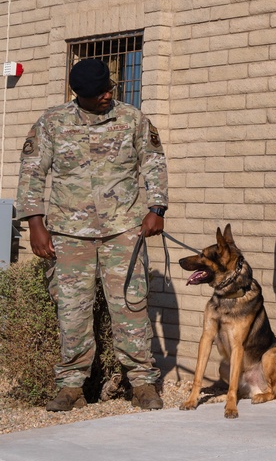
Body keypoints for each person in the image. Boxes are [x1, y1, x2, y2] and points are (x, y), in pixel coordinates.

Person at [16, 58, 168, 412]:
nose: (107, 95)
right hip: (69, 233)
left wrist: (156, 208)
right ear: (79, 95)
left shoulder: (131, 119)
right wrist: (35, 223)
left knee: (131, 305)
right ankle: (71, 386)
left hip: (123, 230)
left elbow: (154, 162)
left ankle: (142, 382)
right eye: (99, 92)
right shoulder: (53, 122)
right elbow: (32, 171)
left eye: (109, 88)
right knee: (72, 310)